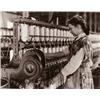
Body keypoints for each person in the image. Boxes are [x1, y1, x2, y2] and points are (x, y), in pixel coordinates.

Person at [48, 15, 94, 89]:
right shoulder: (79, 41)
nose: (70, 31)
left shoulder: (82, 42)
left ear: (78, 27)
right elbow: (63, 52)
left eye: (71, 28)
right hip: (82, 74)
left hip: (80, 76)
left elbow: (73, 64)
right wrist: (45, 55)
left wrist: (59, 76)